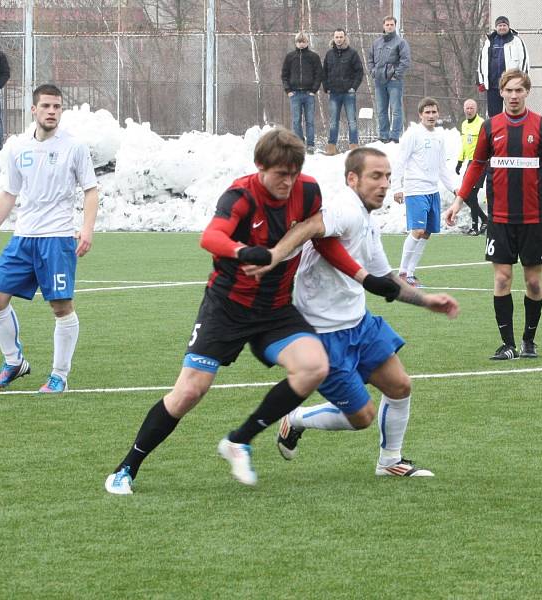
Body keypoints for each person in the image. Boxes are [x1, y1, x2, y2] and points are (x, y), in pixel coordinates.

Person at [104, 128, 400, 494]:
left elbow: (321, 241)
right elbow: (210, 237)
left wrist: (364, 277)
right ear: (261, 167)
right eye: (280, 174)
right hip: (227, 308)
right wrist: (243, 251)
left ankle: (239, 440)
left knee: (313, 366)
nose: (288, 182)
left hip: (275, 309)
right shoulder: (241, 196)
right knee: (189, 392)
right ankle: (126, 468)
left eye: (294, 173)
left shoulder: (307, 192)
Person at [275, 147, 459, 477]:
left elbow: (385, 279)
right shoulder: (344, 209)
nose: (384, 184)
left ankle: (390, 462)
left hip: (359, 323)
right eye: (376, 176)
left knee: (400, 386)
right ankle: (296, 418)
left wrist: (426, 300)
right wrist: (274, 257)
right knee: (361, 418)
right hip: (323, 336)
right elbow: (308, 228)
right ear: (352, 179)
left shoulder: (366, 219)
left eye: (388, 176)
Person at [442, 70, 542, 361]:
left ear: (527, 92)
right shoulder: (490, 128)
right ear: (500, 92)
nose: (513, 96)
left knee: (534, 283)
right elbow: (476, 165)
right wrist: (459, 201)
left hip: (533, 218)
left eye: (519, 91)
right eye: (509, 91)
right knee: (502, 280)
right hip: (499, 218)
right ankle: (507, 344)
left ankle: (528, 340)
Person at [0, 84, 98, 393]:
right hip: (23, 238)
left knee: (61, 307)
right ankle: (13, 362)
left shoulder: (74, 147)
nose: (52, 112)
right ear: (34, 110)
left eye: (57, 107)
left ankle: (59, 375)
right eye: (46, 106)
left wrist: (86, 229)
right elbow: (10, 192)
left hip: (56, 239)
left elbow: (90, 190)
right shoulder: (18, 147)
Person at [392, 97, 456, 288]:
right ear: (420, 115)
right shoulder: (413, 134)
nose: (431, 116)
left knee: (427, 233)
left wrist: (454, 188)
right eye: (427, 112)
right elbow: (400, 161)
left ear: (438, 113)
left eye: (433, 112)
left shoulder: (439, 136)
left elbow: (442, 166)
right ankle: (402, 273)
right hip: (415, 190)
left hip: (432, 191)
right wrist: (396, 187)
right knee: (417, 231)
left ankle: (411, 273)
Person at [367, 15, 411, 143]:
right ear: (383, 26)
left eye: (392, 24)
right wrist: (373, 72)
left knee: (396, 109)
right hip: (379, 81)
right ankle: (383, 135)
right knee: (381, 110)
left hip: (394, 82)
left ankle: (394, 136)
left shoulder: (401, 42)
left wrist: (396, 75)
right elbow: (370, 59)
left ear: (395, 26)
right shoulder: (376, 43)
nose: (389, 26)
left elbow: (405, 61)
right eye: (387, 24)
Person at [322, 28, 364, 156]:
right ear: (333, 38)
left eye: (341, 37)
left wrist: (354, 87)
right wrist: (326, 86)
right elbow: (324, 72)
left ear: (345, 37)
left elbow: (359, 72)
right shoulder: (329, 54)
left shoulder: (352, 53)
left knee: (352, 120)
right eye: (337, 37)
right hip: (334, 93)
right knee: (333, 121)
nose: (339, 39)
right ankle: (331, 148)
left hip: (348, 93)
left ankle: (354, 147)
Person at [477, 16, 529, 118]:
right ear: (496, 27)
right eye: (499, 25)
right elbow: (481, 61)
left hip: (510, 85)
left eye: (504, 25)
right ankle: (496, 133)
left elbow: (524, 61)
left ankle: (512, 133)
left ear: (508, 27)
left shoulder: (517, 41)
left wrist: (523, 81)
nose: (502, 27)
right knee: (494, 115)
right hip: (493, 85)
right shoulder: (489, 42)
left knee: (513, 112)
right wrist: (481, 81)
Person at [281, 31, 323, 154]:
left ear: (307, 42)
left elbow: (318, 74)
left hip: (309, 94)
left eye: (303, 41)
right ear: (296, 43)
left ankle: (310, 145)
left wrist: (313, 90)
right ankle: (299, 143)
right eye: (299, 41)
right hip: (294, 94)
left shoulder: (313, 57)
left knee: (310, 120)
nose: (301, 44)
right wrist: (288, 90)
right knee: (296, 121)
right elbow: (284, 75)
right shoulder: (290, 57)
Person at [456, 98, 488, 236]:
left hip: (481, 162)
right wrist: (459, 161)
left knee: (472, 194)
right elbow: (464, 144)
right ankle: (485, 219)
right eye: (467, 108)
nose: (469, 111)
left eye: (472, 108)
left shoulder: (482, 123)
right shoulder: (464, 124)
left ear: (476, 109)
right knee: (465, 194)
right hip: (470, 162)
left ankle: (475, 226)